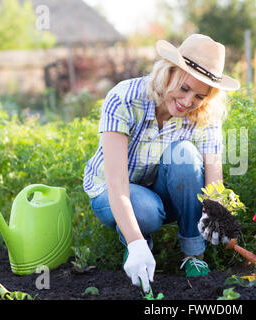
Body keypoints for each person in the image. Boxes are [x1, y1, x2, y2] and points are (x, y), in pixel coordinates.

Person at [82, 34, 240, 293]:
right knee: (145, 209)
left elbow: (213, 174)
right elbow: (116, 182)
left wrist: (217, 210)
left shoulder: (203, 113)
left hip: (158, 189)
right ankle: (137, 242)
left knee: (186, 155)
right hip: (112, 191)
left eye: (200, 96)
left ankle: (193, 254)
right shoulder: (124, 98)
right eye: (185, 88)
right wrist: (135, 244)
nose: (188, 102)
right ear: (168, 73)